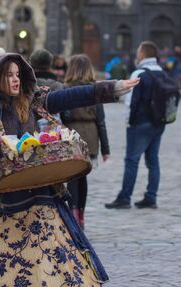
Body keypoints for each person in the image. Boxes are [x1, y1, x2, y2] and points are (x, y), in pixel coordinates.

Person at [0, 53, 139, 286]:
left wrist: (111, 88)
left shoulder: (30, 101)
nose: (15, 80)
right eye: (8, 75)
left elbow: (70, 96)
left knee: (54, 264)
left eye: (17, 74)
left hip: (39, 195)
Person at [105, 41, 165, 209]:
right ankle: (151, 197)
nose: (137, 55)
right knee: (153, 161)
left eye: (139, 52)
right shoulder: (162, 72)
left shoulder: (139, 73)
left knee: (131, 161)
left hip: (140, 124)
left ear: (143, 54)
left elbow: (130, 101)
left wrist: (129, 123)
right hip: (158, 123)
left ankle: (125, 197)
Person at [61, 54, 110, 229]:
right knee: (83, 177)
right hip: (90, 135)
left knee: (73, 177)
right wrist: (105, 149)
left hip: (71, 134)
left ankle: (73, 213)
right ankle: (81, 213)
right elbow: (101, 121)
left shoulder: (66, 88)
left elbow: (64, 115)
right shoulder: (95, 89)